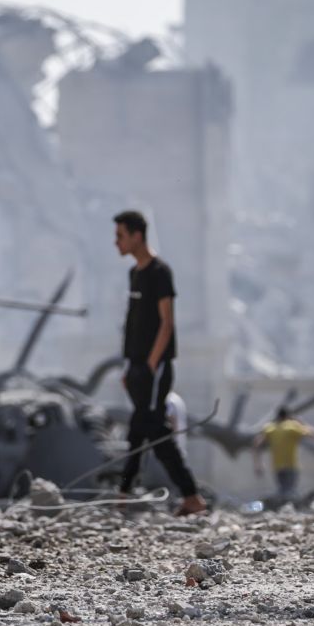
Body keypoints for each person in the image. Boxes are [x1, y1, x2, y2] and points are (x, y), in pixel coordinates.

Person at [114, 210, 207, 517]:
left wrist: (151, 365)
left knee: (150, 429)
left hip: (155, 368)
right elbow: (133, 322)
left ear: (136, 236)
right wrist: (130, 367)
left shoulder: (160, 272)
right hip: (137, 366)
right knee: (140, 429)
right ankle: (124, 495)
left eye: (121, 236)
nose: (117, 242)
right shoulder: (134, 274)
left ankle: (190, 495)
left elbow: (166, 323)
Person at [254, 406, 314, 498]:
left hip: (277, 467)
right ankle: (287, 509)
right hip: (291, 465)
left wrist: (258, 464)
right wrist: (301, 422)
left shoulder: (270, 428)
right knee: (290, 492)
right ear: (288, 416)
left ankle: (283, 508)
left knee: (283, 491)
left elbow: (257, 444)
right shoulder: (292, 427)